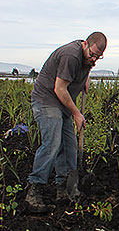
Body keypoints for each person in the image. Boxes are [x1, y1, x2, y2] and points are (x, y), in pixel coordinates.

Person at [26, 32, 107, 212]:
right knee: (53, 144)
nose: (93, 59)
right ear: (85, 44)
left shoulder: (87, 59)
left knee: (70, 146)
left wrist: (85, 77)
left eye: (98, 57)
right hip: (47, 100)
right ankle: (34, 188)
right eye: (92, 54)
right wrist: (77, 113)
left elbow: (85, 64)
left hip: (63, 104)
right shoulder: (70, 55)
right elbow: (59, 88)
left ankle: (64, 188)